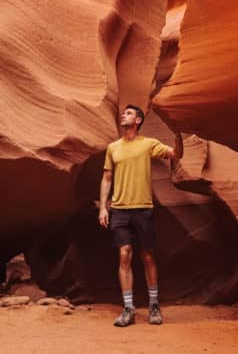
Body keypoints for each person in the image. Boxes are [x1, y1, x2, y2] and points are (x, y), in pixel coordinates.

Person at [98, 104, 183, 327]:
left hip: (143, 208)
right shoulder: (113, 148)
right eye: (124, 112)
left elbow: (175, 154)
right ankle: (128, 309)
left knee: (147, 256)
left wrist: (178, 136)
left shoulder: (148, 144)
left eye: (129, 113)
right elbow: (107, 178)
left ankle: (154, 306)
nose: (123, 115)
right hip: (119, 210)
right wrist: (103, 207)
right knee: (124, 254)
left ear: (138, 120)